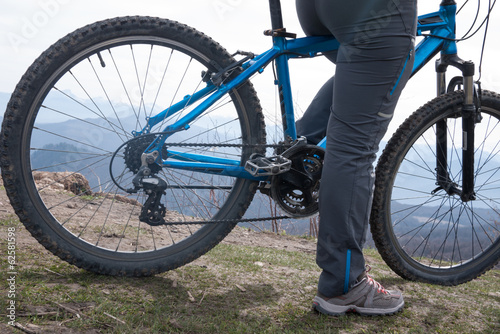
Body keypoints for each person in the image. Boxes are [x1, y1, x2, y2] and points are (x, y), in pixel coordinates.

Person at [294, 0, 417, 316]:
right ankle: (344, 284)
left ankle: (293, 164)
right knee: (353, 149)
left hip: (313, 8)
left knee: (362, 66)